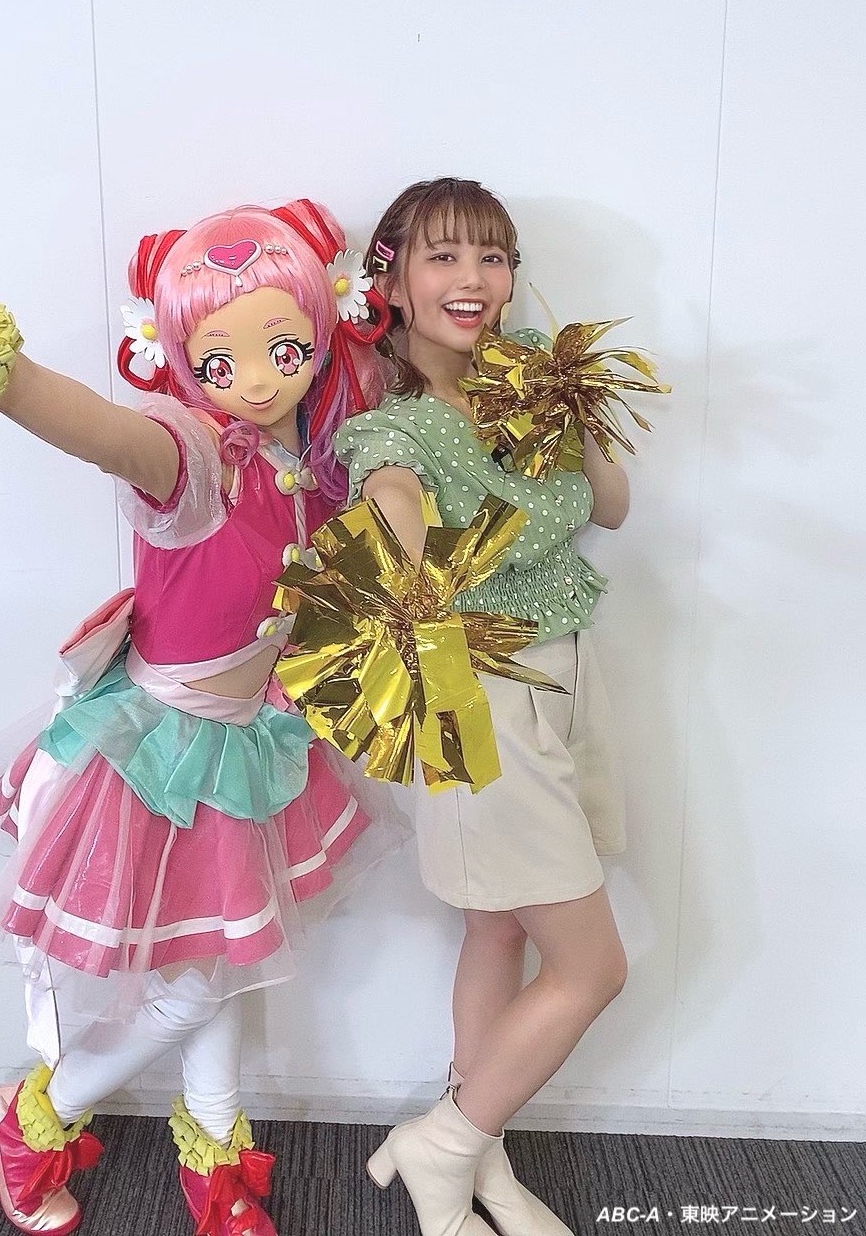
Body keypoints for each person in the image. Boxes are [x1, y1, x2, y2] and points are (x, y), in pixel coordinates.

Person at [0, 199, 398, 1236]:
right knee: (198, 985)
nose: (257, 379)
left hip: (248, 741)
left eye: (285, 346)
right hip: (159, 757)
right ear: (181, 360)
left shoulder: (314, 453)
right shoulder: (193, 456)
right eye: (219, 360)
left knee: (226, 964)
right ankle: (28, 1119)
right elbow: (103, 429)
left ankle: (215, 1158)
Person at [334, 177, 631, 1236]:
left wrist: (569, 400)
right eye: (444, 256)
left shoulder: (529, 383)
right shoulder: (395, 428)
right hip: (482, 699)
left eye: (493, 256)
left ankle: (473, 1168)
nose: (473, 279)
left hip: (564, 678)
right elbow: (391, 496)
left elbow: (611, 506)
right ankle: (444, 1143)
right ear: (393, 283)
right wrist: (400, 549)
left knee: (498, 930)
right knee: (593, 966)